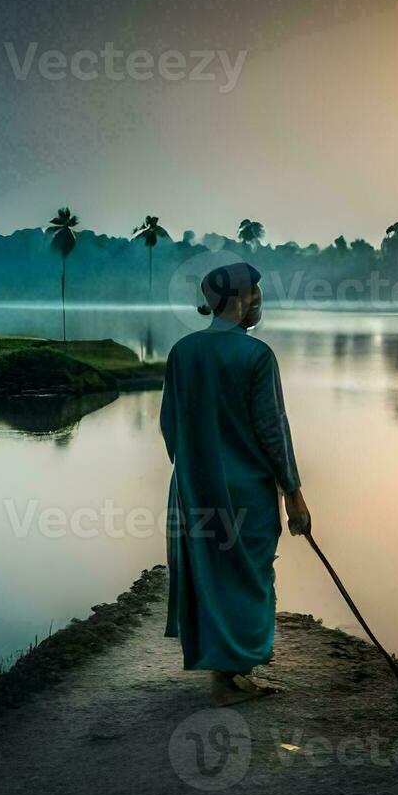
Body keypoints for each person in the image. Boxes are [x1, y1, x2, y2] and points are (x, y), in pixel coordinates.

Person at [160, 261, 312, 707]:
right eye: (255, 295)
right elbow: (273, 433)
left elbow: (170, 427)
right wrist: (295, 498)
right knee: (248, 577)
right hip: (246, 492)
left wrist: (195, 466)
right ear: (239, 301)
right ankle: (227, 680)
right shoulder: (256, 356)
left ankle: (228, 673)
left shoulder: (182, 352)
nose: (259, 301)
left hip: (192, 488)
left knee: (210, 575)